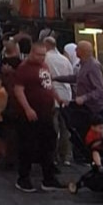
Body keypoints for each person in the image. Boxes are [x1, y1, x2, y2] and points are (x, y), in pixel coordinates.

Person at [12, 42, 64, 193]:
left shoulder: (44, 66)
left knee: (48, 144)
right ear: (31, 53)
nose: (42, 58)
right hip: (30, 114)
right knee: (27, 145)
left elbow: (48, 84)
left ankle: (48, 178)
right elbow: (18, 90)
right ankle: (23, 178)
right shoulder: (24, 69)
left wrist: (57, 98)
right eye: (39, 55)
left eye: (44, 55)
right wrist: (27, 108)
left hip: (46, 113)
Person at [44, 37, 75, 167]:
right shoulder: (65, 59)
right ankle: (67, 156)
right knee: (66, 128)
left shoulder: (45, 58)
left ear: (46, 45)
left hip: (53, 97)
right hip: (66, 96)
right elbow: (71, 76)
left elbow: (45, 79)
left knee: (53, 129)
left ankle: (54, 155)